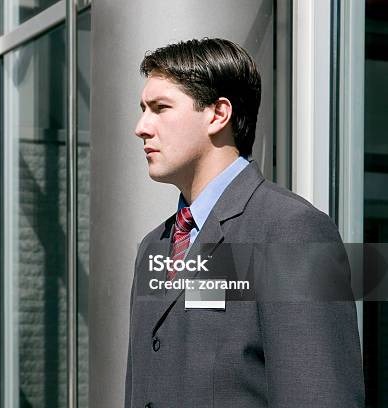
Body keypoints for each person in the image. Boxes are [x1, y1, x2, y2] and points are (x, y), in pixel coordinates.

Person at [125, 38, 364, 408]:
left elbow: (321, 393)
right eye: (143, 109)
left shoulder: (292, 231)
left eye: (160, 108)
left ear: (218, 114)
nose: (141, 127)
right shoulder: (153, 247)